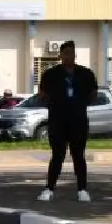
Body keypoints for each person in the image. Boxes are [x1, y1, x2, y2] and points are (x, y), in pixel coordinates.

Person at [37, 41, 98, 203]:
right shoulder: (50, 74)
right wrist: (55, 103)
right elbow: (42, 94)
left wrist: (78, 103)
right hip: (58, 120)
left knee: (78, 155)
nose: (69, 56)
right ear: (60, 55)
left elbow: (93, 94)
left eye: (72, 53)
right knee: (57, 155)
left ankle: (82, 190)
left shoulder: (85, 74)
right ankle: (49, 189)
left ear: (75, 55)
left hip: (78, 120)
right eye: (66, 53)